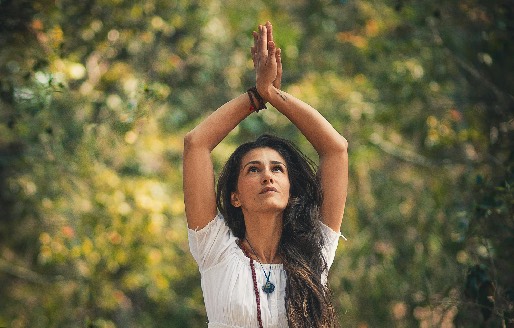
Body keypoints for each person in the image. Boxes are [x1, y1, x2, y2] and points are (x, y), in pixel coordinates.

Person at [183, 21, 348, 328]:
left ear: (291, 190)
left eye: (277, 169)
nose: (267, 176)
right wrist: (255, 99)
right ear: (234, 196)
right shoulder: (215, 249)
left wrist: (272, 94)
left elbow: (335, 149)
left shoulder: (314, 252)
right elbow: (197, 143)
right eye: (253, 169)